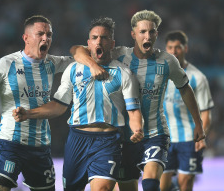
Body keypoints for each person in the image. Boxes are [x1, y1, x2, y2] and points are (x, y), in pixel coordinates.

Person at [70, 10, 205, 191]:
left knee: (150, 183)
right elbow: (76, 50)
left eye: (151, 32)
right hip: (125, 139)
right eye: (142, 32)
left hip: (156, 135)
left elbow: (185, 89)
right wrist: (92, 65)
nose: (147, 36)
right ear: (133, 34)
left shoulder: (167, 61)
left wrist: (198, 123)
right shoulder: (119, 55)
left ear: (157, 34)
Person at [12, 17, 144, 191]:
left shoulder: (123, 73)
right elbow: (59, 105)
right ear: (88, 43)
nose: (99, 41)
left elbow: (133, 111)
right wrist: (28, 114)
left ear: (112, 44)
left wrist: (138, 129)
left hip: (108, 140)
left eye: (104, 38)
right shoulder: (73, 70)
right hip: (77, 140)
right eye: (95, 38)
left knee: (103, 188)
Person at [0, 15, 74, 191]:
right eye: (40, 33)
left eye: (49, 34)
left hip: (40, 146)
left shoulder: (52, 63)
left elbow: (81, 56)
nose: (46, 38)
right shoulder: (5, 64)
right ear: (26, 38)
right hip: (10, 143)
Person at [160, 30, 214, 191]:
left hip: (189, 139)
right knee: (162, 185)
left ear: (185, 49)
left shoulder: (198, 77)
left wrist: (201, 136)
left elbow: (206, 112)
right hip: (164, 138)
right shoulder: (158, 74)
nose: (174, 51)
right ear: (166, 49)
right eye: (170, 47)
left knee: (186, 182)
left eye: (178, 47)